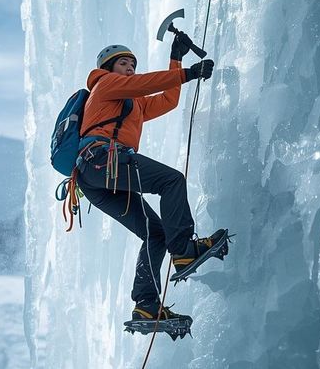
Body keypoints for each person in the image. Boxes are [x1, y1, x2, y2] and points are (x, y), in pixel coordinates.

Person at [75, 33, 228, 324]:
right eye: (124, 63)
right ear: (108, 68)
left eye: (133, 63)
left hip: (97, 176)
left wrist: (176, 59)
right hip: (103, 160)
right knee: (171, 181)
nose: (130, 67)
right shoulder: (105, 84)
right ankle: (183, 250)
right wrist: (188, 74)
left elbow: (167, 100)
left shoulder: (133, 104)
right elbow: (144, 83)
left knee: (154, 233)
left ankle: (145, 303)